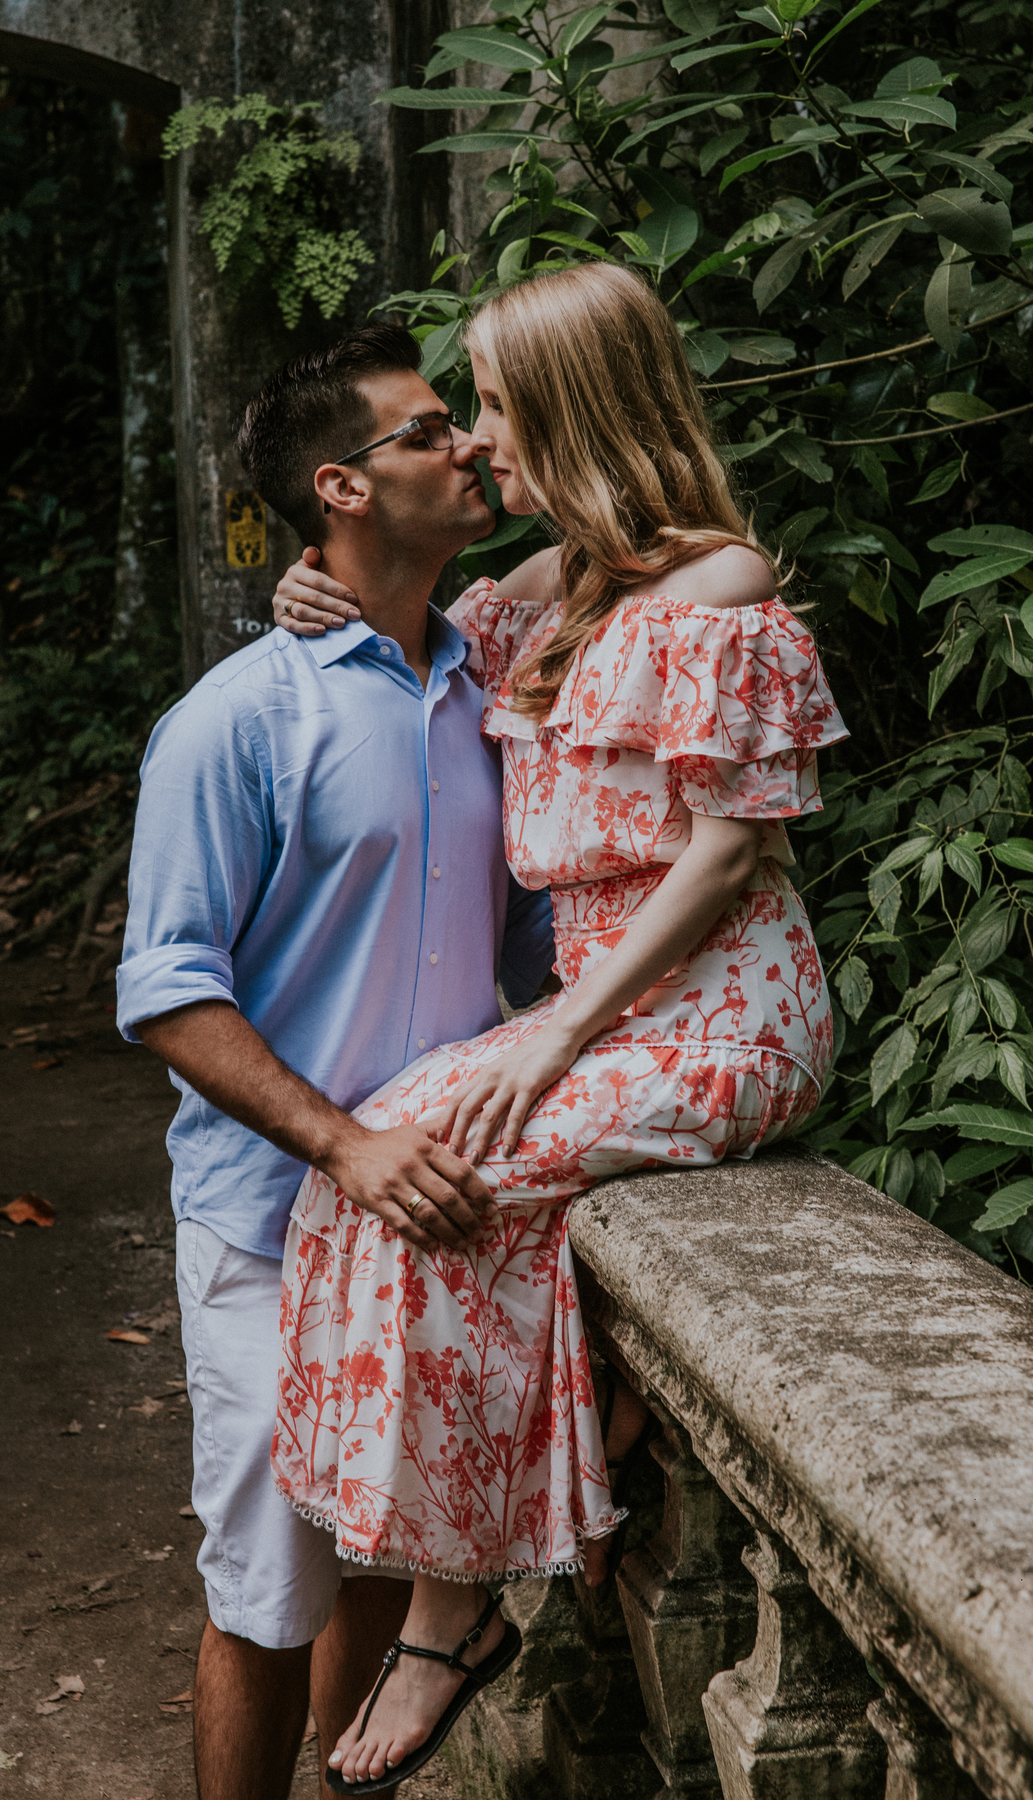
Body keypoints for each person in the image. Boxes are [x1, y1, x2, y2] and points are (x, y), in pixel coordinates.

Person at [267, 262, 849, 1792]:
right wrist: (304, 588)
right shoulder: (547, 591)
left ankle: (453, 1612)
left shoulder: (715, 593)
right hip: (607, 1015)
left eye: (501, 410)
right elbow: (404, 609)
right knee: (361, 1168)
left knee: (454, 1171)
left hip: (721, 1013)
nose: (479, 447)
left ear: (578, 411)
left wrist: (548, 1037)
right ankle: (553, 1461)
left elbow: (728, 858)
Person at [116, 323, 559, 1800]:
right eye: (432, 430)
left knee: (388, 1550)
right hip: (271, 1218)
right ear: (340, 488)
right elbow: (172, 994)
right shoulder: (239, 719)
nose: (469, 447)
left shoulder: (489, 680)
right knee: (268, 1589)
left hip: (437, 1217)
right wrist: (344, 1144)